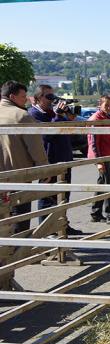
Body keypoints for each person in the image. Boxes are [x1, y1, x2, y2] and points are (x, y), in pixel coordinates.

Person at [28, 84, 82, 235]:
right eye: (48, 97)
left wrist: (68, 115)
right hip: (49, 160)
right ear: (38, 99)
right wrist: (58, 115)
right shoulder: (33, 114)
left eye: (53, 96)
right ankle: (46, 229)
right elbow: (46, 135)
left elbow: (70, 130)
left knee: (63, 195)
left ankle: (62, 225)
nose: (51, 100)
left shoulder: (53, 112)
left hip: (64, 159)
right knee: (47, 197)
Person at [0, 80, 49, 234]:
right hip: (18, 174)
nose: (26, 99)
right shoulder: (22, 116)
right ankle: (18, 252)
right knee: (19, 215)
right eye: (23, 96)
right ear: (12, 96)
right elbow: (36, 148)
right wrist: (44, 170)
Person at [87, 94, 110, 224]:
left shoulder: (107, 117)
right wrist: (99, 162)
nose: (109, 107)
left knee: (102, 183)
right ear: (100, 104)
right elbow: (93, 143)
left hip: (107, 155)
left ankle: (96, 212)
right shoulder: (96, 119)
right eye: (107, 105)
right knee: (109, 184)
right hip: (101, 157)